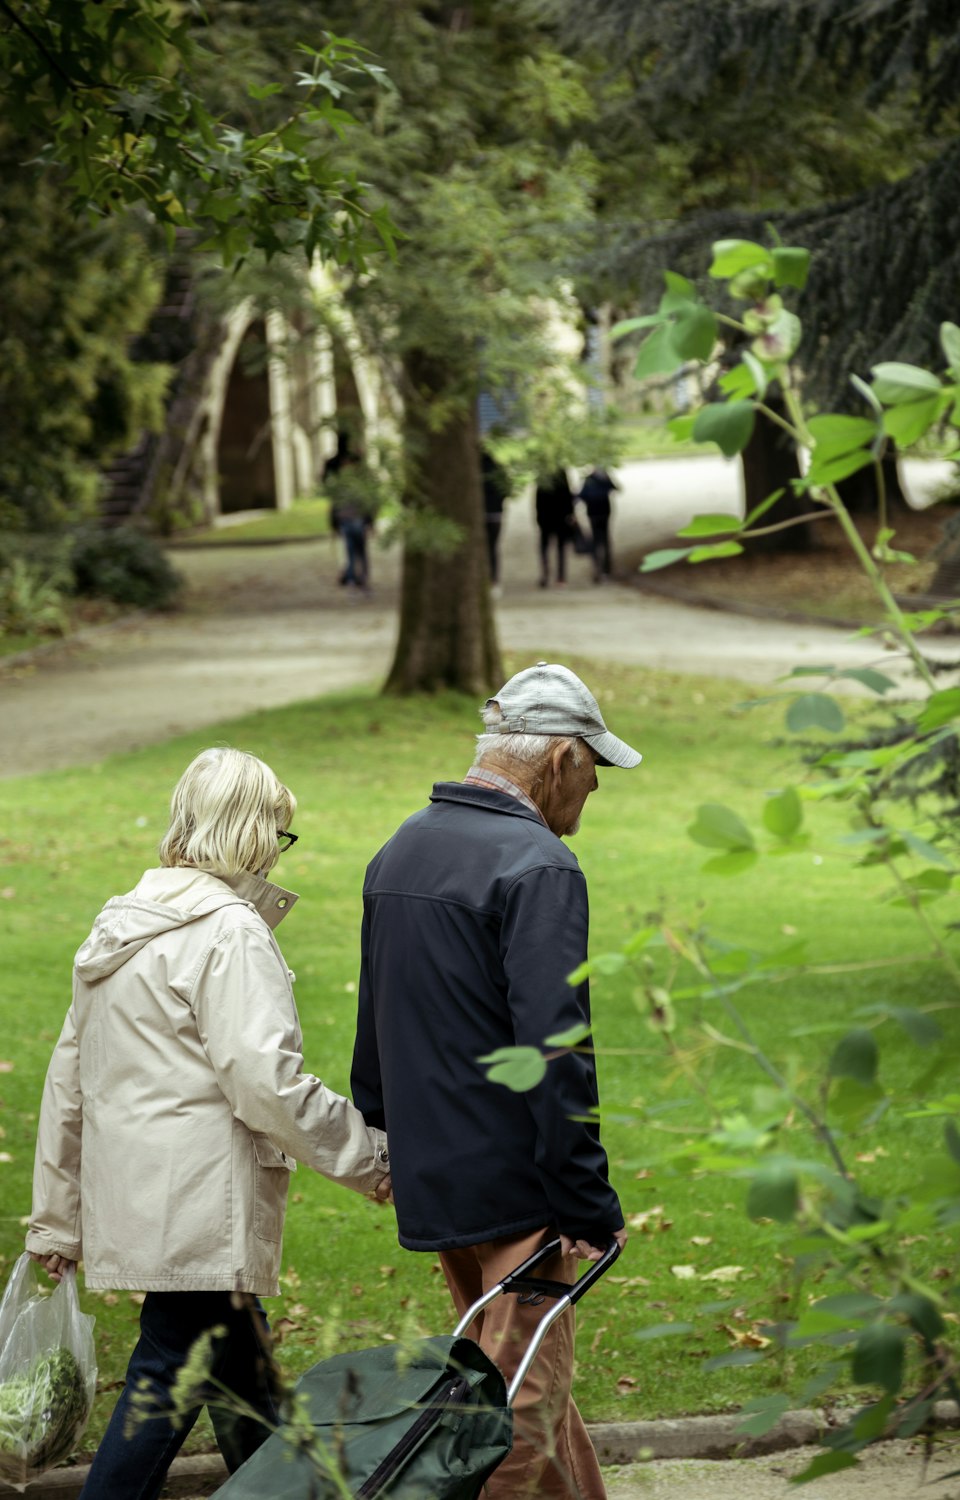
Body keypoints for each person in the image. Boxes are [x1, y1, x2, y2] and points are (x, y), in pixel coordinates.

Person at [26, 748, 391, 1500]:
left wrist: (57, 1219)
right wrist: (376, 1161)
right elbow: (269, 1085)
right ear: (252, 831)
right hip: (201, 1210)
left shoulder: (118, 927)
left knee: (246, 1391)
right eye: (279, 833)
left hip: (148, 1202)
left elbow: (70, 1080)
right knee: (165, 1383)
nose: (277, 850)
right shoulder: (230, 932)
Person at [351, 661, 640, 1499]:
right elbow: (557, 1049)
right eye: (595, 771)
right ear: (560, 762)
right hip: (517, 1187)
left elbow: (376, 1024)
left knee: (510, 1381)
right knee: (517, 1409)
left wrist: (386, 1139)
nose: (593, 794)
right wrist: (586, 1197)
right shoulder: (538, 864)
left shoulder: (401, 845)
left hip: (439, 1179)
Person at [323, 443, 377, 594]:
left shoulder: (356, 484)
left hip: (356, 522)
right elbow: (335, 506)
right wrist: (334, 525)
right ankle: (354, 581)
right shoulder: (344, 484)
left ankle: (361, 580)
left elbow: (367, 504)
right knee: (352, 554)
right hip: (347, 522)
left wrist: (370, 522)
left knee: (359, 553)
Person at [534, 468, 576, 588]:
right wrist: (571, 514)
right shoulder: (559, 473)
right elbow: (568, 497)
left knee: (546, 548)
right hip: (558, 518)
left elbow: (538, 499)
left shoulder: (545, 474)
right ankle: (559, 577)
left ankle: (547, 575)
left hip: (550, 519)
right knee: (559, 548)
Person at [578, 467, 618, 583]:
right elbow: (615, 489)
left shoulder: (591, 479)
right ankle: (605, 568)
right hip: (602, 513)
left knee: (597, 541)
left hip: (595, 514)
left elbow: (582, 495)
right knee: (604, 540)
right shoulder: (603, 479)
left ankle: (600, 567)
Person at [481, 445, 510, 594]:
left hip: (481, 515)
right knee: (492, 548)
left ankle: (486, 580)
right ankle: (493, 580)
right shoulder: (498, 470)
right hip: (495, 515)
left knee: (481, 549)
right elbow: (507, 490)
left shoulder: (474, 470)